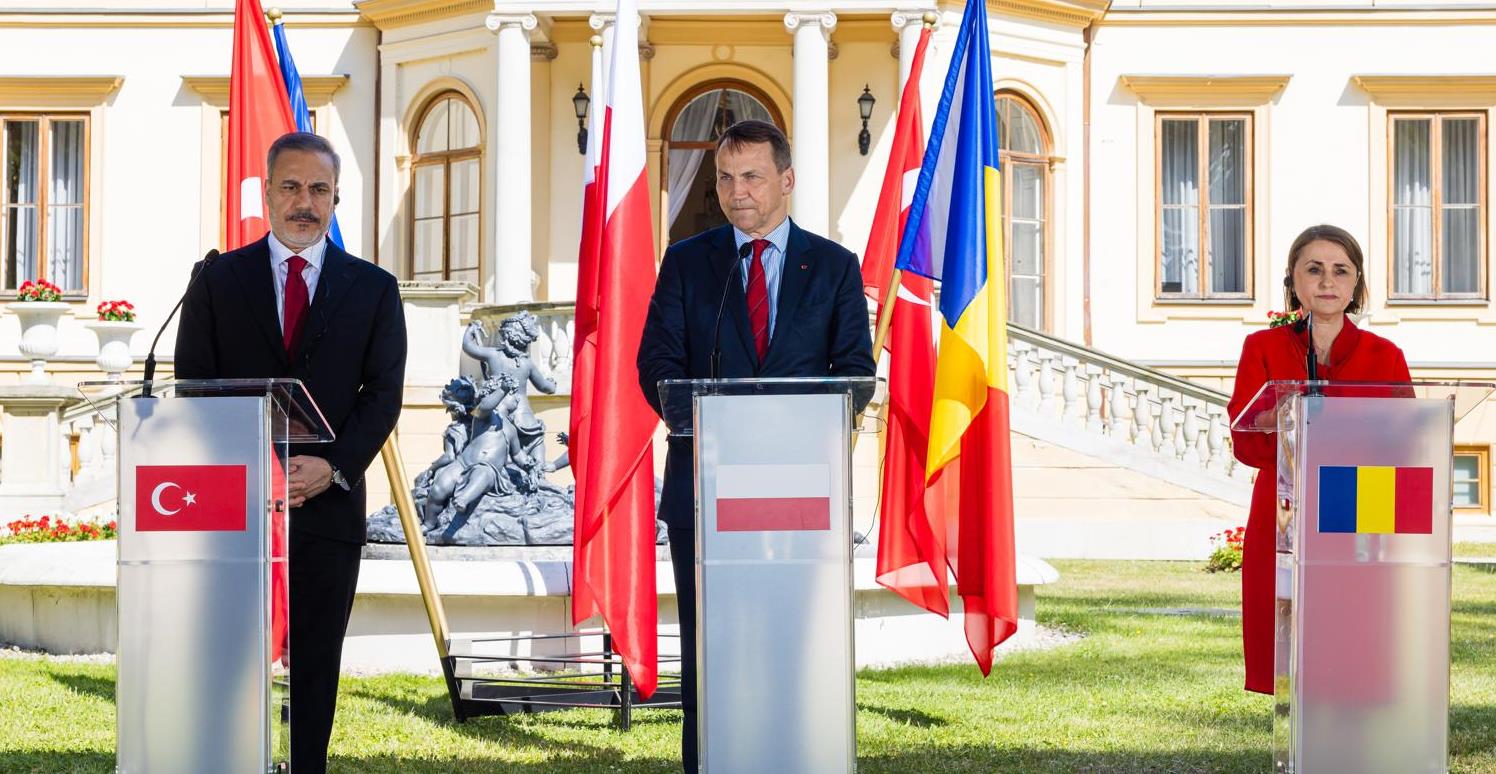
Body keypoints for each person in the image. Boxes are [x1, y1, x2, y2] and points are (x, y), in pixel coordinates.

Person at [636, 119, 876, 772]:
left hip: (801, 500)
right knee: (710, 658)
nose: (735, 192)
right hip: (705, 495)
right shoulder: (689, 263)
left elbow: (856, 375)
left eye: (751, 177)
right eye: (724, 178)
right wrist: (710, 418)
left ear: (786, 180)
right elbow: (656, 363)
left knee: (795, 653)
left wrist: (788, 427)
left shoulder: (834, 267)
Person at [174, 132, 407, 774]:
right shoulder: (216, 281)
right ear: (268, 193)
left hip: (327, 506)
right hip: (236, 505)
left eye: (319, 189)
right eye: (292, 187)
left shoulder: (374, 289)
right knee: (229, 655)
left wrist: (332, 466)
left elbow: (382, 396)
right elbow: (193, 384)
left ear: (336, 198)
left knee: (316, 659)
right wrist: (256, 467)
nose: (305, 202)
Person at [1226, 224, 1410, 695]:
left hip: (1360, 504)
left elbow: (1407, 444)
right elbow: (1244, 442)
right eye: (1314, 269)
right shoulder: (1262, 348)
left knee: (1354, 631)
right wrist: (1278, 417)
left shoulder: (1386, 356)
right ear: (1293, 279)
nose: (1327, 281)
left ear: (1356, 283)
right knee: (1288, 638)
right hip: (1285, 505)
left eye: (1340, 270)